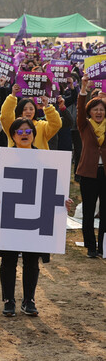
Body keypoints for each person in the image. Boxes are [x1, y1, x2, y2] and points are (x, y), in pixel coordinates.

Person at [0, 118, 72, 317]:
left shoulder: (45, 158)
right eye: (19, 131)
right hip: (10, 215)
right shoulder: (2, 158)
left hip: (36, 217)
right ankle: (8, 300)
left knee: (32, 260)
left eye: (28, 131)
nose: (24, 134)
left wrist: (63, 202)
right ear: (13, 135)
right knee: (8, 260)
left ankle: (29, 300)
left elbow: (56, 187)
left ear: (34, 134)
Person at [76, 75, 106, 258]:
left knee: (105, 211)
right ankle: (91, 246)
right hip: (88, 173)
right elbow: (80, 109)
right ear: (90, 112)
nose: (99, 112)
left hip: (105, 174)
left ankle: (103, 245)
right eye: (95, 109)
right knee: (88, 211)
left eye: (102, 109)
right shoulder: (84, 126)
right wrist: (83, 88)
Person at [0, 84, 62, 149]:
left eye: (31, 109)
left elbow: (56, 124)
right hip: (16, 158)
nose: (28, 111)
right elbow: (5, 116)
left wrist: (47, 106)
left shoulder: (41, 126)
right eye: (24, 109)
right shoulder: (13, 125)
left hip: (38, 158)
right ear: (19, 111)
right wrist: (13, 95)